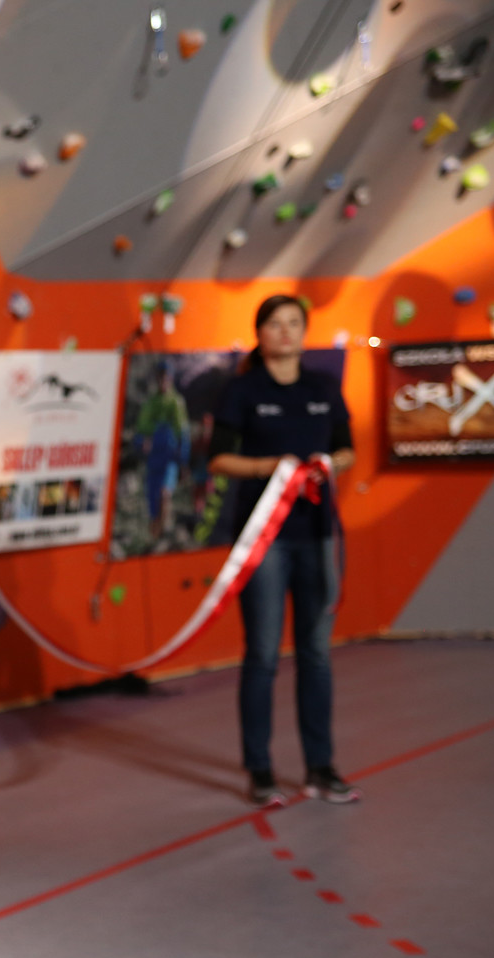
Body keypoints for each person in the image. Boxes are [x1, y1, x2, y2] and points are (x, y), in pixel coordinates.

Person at [208, 294, 358, 809]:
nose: (286, 332)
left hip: (316, 535)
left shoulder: (323, 387)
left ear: (304, 331)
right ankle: (260, 769)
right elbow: (218, 459)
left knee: (316, 654)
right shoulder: (242, 390)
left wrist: (327, 465)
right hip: (265, 540)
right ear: (261, 333)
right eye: (275, 324)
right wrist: (272, 468)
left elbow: (346, 448)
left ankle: (321, 767)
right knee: (264, 654)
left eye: (295, 323)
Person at [135, 359, 189, 545]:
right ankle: (154, 536)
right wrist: (142, 442)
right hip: (154, 460)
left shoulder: (176, 403)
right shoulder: (151, 403)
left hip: (169, 459)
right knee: (153, 498)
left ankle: (164, 531)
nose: (163, 381)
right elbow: (140, 431)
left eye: (166, 377)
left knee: (165, 494)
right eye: (161, 377)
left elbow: (183, 433)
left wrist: (183, 461)